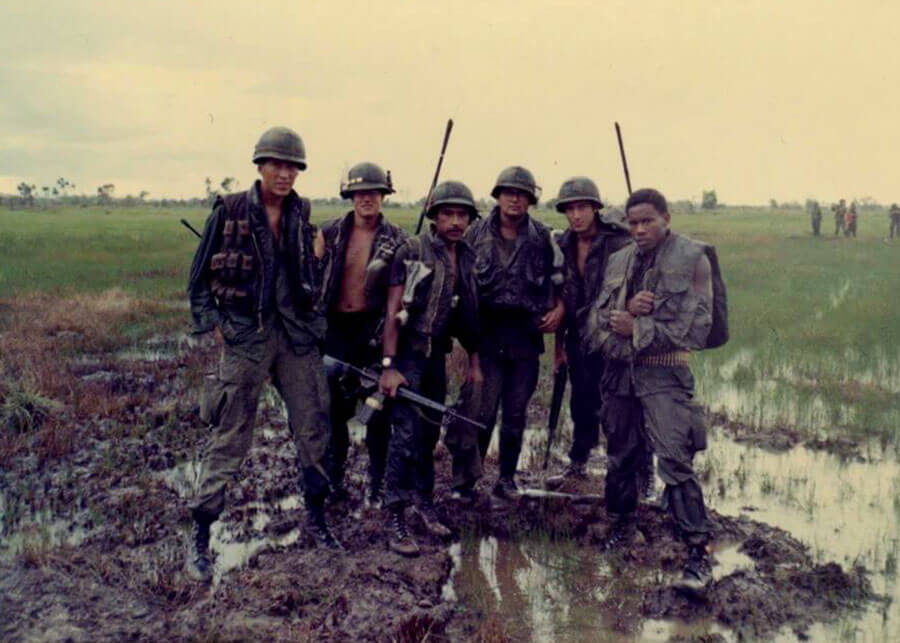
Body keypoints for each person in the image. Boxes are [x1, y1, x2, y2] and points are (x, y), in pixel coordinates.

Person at [186, 126, 338, 582]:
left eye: (292, 166)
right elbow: (197, 283)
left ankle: (317, 518)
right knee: (230, 435)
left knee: (313, 426)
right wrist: (215, 325)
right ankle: (201, 536)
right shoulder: (230, 209)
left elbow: (307, 276)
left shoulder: (301, 213)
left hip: (295, 337)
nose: (284, 173)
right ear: (259, 166)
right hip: (247, 337)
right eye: (277, 164)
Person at [585, 187, 723, 592]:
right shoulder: (618, 260)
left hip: (665, 375)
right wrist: (625, 312)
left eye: (648, 221)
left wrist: (638, 327)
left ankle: (699, 554)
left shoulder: (693, 259)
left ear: (667, 219)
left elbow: (696, 329)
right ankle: (622, 526)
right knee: (620, 457)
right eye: (633, 222)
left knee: (675, 462)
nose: (640, 229)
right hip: (619, 376)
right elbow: (595, 321)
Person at [447, 166, 565, 500]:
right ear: (497, 196)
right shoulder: (474, 233)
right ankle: (466, 482)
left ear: (530, 199)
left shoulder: (543, 237)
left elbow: (560, 281)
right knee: (479, 411)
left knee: (515, 413)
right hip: (485, 335)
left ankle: (506, 480)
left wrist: (559, 310)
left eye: (522, 193)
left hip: (526, 336)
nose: (515, 199)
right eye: (509, 192)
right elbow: (456, 275)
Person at [378, 180, 483, 555]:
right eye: (447, 214)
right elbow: (393, 312)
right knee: (404, 435)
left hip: (435, 355)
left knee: (427, 433)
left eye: (462, 215)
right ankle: (394, 515)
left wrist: (473, 360)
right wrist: (389, 367)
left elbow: (468, 315)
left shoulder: (467, 256)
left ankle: (422, 502)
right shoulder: (412, 250)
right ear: (434, 217)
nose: (455, 221)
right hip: (406, 355)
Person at [315, 162, 406, 505]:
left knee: (377, 412)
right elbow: (311, 281)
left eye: (373, 192)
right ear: (350, 196)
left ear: (383, 196)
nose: (366, 198)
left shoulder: (398, 240)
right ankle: (334, 479)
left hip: (375, 332)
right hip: (336, 331)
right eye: (359, 193)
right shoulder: (330, 233)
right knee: (333, 410)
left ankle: (377, 483)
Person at [544, 177, 631, 490]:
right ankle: (578, 464)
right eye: (570, 209)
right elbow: (563, 298)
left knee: (621, 407)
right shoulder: (563, 244)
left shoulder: (620, 242)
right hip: (579, 338)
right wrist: (559, 349)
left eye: (582, 207)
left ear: (596, 208)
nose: (576, 215)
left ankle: (637, 472)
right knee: (581, 403)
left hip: (614, 339)